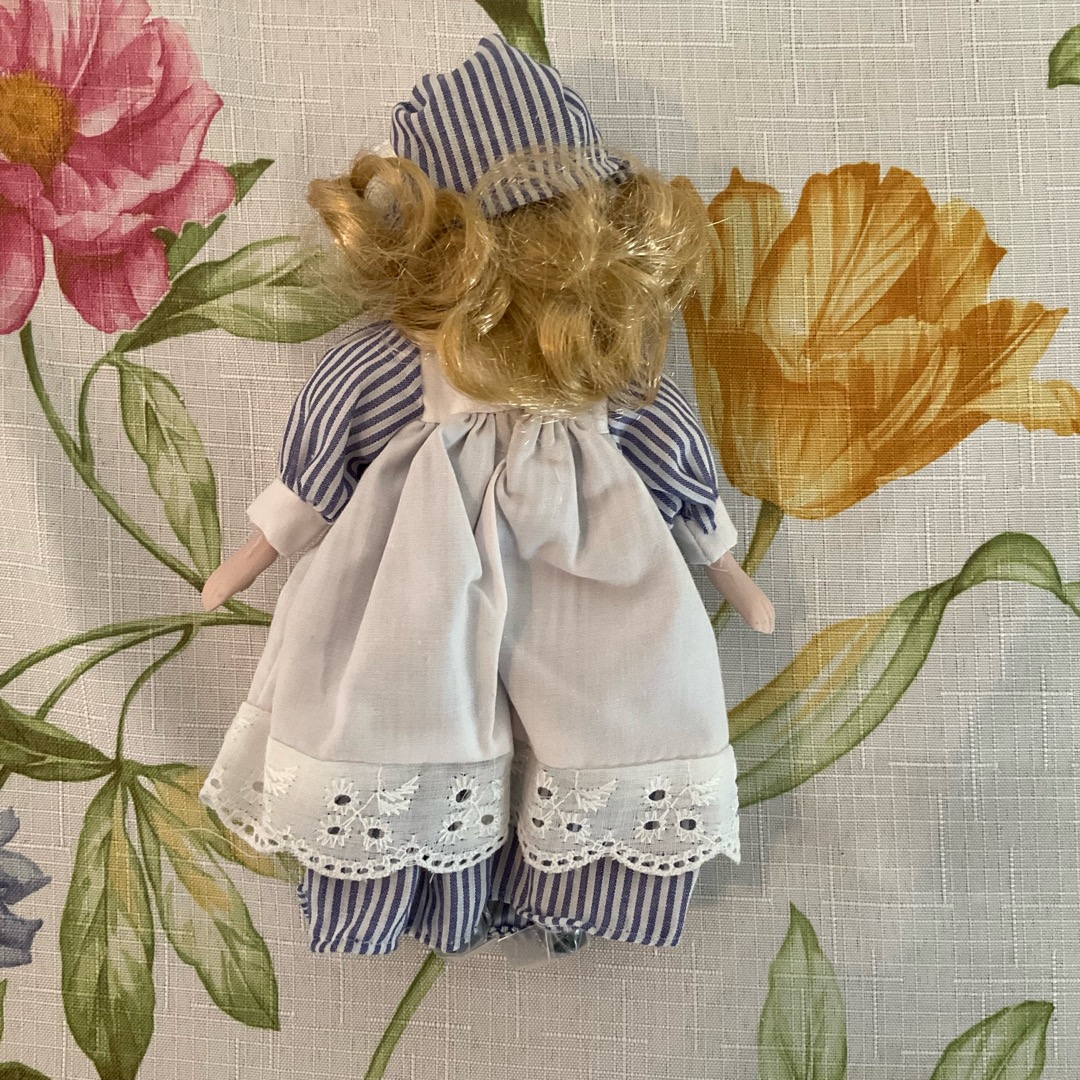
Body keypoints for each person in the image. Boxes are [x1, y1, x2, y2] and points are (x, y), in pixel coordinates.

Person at [199, 35, 774, 958]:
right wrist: (266, 543)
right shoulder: (403, 365)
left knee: (606, 703)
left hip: (588, 585)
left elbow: (670, 446)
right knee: (408, 713)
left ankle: (581, 891)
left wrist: (720, 556)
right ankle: (411, 896)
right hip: (415, 588)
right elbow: (329, 437)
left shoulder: (602, 376)